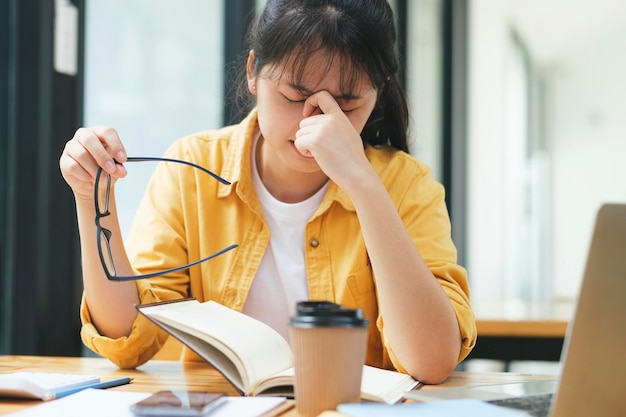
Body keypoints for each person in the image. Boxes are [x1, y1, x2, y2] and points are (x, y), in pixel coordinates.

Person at [59, 0, 475, 384]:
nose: (318, 124)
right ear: (254, 71)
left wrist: (363, 184)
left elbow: (431, 360)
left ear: (378, 92)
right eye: (295, 96)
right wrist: (90, 196)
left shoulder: (407, 185)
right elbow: (126, 336)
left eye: (345, 107)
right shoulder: (193, 168)